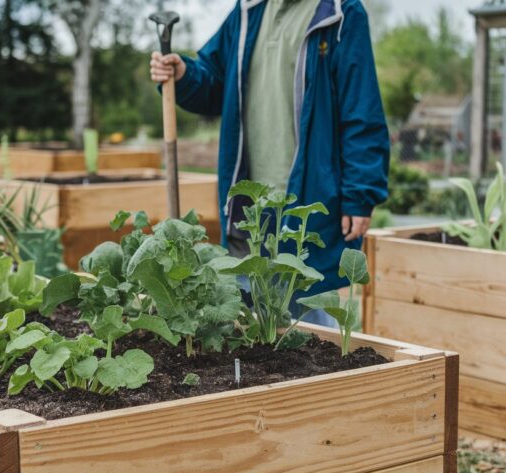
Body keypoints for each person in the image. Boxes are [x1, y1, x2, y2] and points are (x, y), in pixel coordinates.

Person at [150, 0, 389, 327]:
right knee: (246, 326)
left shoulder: (339, 13)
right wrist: (184, 73)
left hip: (309, 199)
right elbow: (214, 79)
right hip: (248, 204)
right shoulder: (249, 11)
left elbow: (361, 110)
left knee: (309, 322)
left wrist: (360, 195)